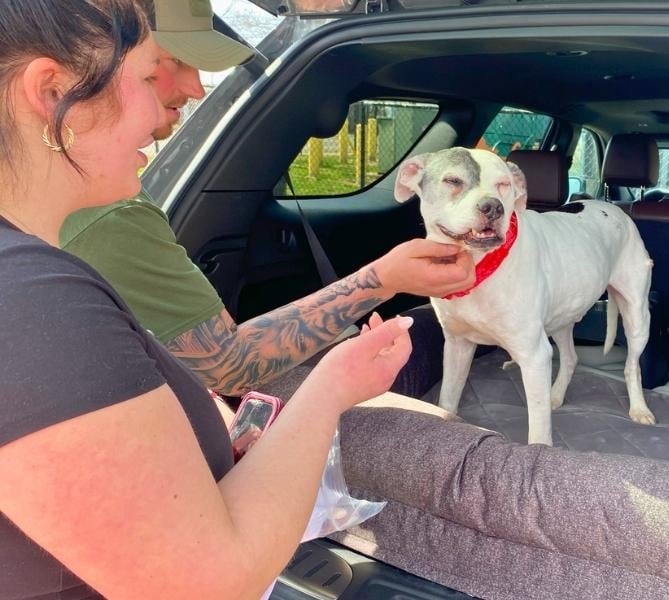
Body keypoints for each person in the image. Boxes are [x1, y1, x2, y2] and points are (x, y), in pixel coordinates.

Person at [0, 2, 413, 597]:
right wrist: (331, 388)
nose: (186, 93)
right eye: (150, 73)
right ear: (52, 90)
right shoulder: (34, 302)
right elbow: (208, 586)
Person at [60, 0, 474, 398]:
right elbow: (230, 366)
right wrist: (386, 279)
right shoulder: (105, 210)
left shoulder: (91, 190)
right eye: (167, 64)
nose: (196, 88)